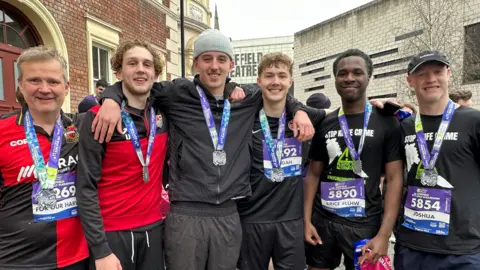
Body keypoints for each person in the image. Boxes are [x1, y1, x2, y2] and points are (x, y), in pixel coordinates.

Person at [92, 29, 314, 270]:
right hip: (186, 213)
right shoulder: (176, 94)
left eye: (221, 59)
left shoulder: (247, 98)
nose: (214, 66)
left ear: (231, 64)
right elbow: (137, 85)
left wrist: (299, 109)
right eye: (207, 59)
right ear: (195, 62)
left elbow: (277, 90)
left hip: (228, 214)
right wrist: (111, 98)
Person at [304, 49, 404, 270]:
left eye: (357, 72)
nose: (349, 78)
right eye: (343, 73)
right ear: (336, 79)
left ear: (369, 76)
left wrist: (384, 234)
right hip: (323, 220)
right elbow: (313, 174)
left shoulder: (387, 122)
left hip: (366, 223)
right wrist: (306, 220)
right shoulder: (326, 122)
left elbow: (395, 179)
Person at [76, 40, 168, 270]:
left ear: (155, 74)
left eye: (147, 64)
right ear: (118, 72)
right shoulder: (99, 118)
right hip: (112, 234)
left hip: (155, 229)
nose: (140, 69)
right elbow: (85, 185)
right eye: (132, 63)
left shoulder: (165, 113)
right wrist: (100, 249)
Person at [0, 46, 89, 269]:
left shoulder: (82, 128)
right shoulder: (2, 131)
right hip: (16, 259)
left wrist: (111, 99)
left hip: (77, 257)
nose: (45, 89)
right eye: (34, 80)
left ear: (66, 87)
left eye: (53, 81)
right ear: (20, 84)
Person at [236, 53, 326, 270]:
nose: (275, 81)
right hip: (251, 220)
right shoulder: (244, 116)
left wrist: (382, 106)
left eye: (282, 76)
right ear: (259, 82)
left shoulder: (308, 117)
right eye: (269, 76)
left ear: (290, 82)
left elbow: (346, 115)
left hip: (290, 222)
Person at [394, 50, 480, 270]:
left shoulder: (473, 121)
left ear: (448, 73)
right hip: (411, 247)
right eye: (422, 74)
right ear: (410, 80)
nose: (430, 79)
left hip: (462, 251)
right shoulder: (404, 127)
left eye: (437, 71)